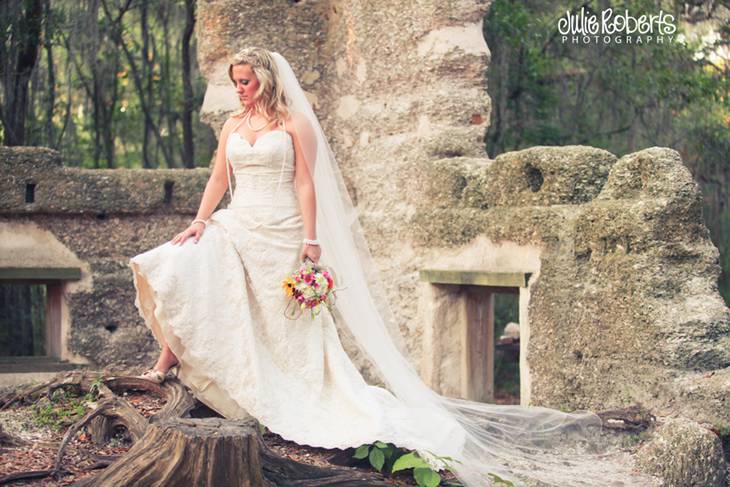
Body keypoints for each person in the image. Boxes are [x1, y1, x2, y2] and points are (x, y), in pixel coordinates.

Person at [128, 48, 653, 486]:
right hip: (238, 219)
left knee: (280, 318)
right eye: (234, 82)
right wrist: (200, 219)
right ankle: (165, 362)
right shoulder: (232, 125)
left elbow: (307, 183)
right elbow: (219, 177)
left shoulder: (293, 123)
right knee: (186, 266)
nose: (238, 90)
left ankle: (280, 390)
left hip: (283, 228)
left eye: (244, 82)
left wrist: (311, 239)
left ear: (264, 80)